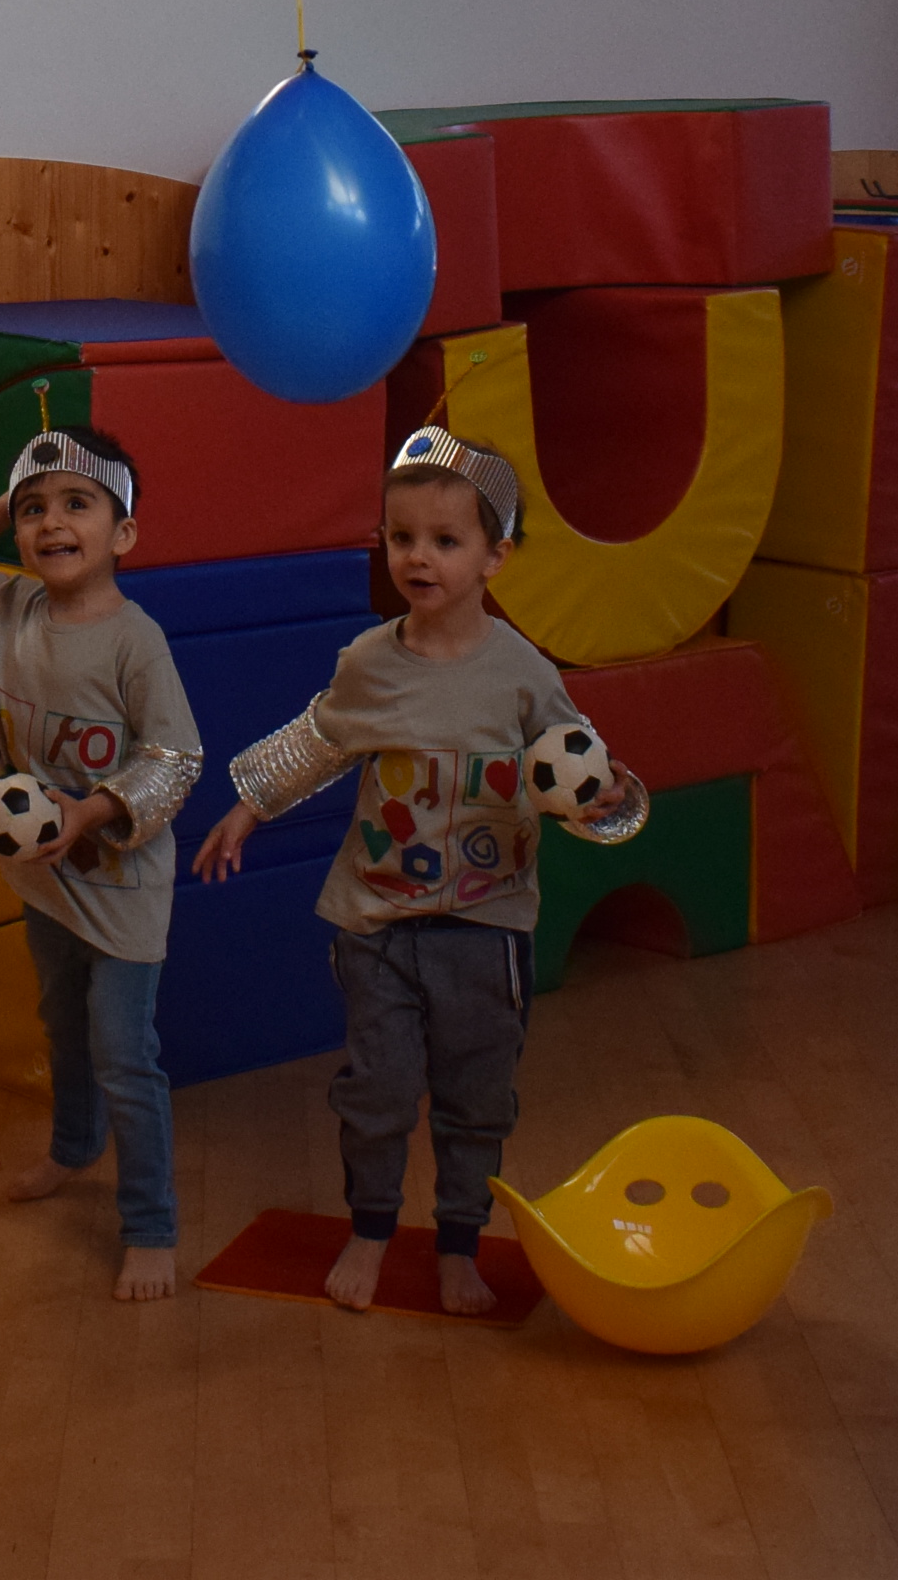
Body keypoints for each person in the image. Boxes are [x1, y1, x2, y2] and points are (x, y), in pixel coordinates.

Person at [192, 425, 645, 1315]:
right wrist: (249, 806)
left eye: (445, 540)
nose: (418, 558)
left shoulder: (523, 673)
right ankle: (370, 1228)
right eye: (401, 538)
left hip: (488, 926)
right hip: (378, 921)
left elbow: (582, 764)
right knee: (379, 1090)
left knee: (477, 1097)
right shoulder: (369, 663)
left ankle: (459, 1244)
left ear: (494, 556)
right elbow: (319, 741)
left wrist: (609, 800)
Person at [0, 427, 204, 1300]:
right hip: (44, 881)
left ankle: (150, 1225)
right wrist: (12, 496)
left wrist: (89, 812)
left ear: (125, 533)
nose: (51, 523)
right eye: (34, 510)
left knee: (123, 1054)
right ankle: (74, 1148)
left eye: (78, 505)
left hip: (122, 887)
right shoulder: (3, 611)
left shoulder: (135, 641)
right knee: (62, 1026)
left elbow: (175, 759)